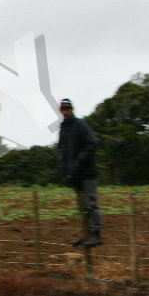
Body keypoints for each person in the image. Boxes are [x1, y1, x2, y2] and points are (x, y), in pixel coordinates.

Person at [57, 98, 102, 247]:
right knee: (82, 206)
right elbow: (61, 150)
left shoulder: (81, 125)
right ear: (60, 111)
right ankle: (86, 234)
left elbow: (93, 143)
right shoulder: (63, 129)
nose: (65, 111)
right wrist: (65, 169)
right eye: (63, 109)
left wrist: (80, 160)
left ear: (72, 109)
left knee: (91, 203)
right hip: (74, 175)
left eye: (67, 108)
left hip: (87, 172)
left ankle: (96, 235)